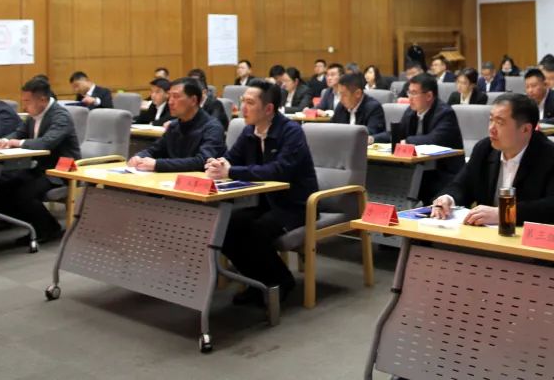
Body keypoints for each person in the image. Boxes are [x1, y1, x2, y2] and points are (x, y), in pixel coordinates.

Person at [208, 80, 318, 306]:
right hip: (266, 202)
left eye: (250, 103)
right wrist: (218, 164)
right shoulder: (250, 131)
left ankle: (281, 282)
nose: (243, 108)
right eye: (242, 101)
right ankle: (259, 282)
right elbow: (232, 158)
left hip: (295, 206)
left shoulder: (291, 132)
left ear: (268, 109)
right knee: (224, 227)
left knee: (255, 231)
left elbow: (278, 170)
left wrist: (231, 170)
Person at [431, 93, 554, 225]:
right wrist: (448, 198)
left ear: (525, 129)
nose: (491, 128)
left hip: (530, 239)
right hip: (487, 237)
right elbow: (461, 185)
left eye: (500, 123)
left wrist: (504, 213)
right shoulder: (485, 149)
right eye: (491, 120)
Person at [0, 78, 80, 244]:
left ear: (42, 100)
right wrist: (4, 140)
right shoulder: (34, 115)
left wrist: (17, 143)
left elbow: (46, 143)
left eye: (27, 101)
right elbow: (19, 133)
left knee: (24, 193)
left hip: (61, 171)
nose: (24, 106)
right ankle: (32, 225)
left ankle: (48, 228)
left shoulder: (61, 116)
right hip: (39, 168)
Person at [392, 74, 465, 203]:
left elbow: (434, 139)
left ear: (429, 96)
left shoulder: (445, 113)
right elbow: (398, 134)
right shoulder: (411, 111)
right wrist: (373, 138)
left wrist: (407, 142)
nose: (410, 97)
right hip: (418, 170)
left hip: (443, 174)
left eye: (414, 93)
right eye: (409, 92)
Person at [129, 78, 226, 171]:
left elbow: (203, 161)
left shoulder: (213, 127)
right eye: (170, 96)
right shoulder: (174, 126)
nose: (170, 102)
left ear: (193, 100)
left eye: (176, 97)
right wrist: (139, 157)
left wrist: (157, 164)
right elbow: (154, 150)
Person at [331, 72, 386, 143]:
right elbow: (331, 129)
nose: (340, 99)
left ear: (358, 93)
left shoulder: (373, 108)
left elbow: (371, 133)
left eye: (344, 95)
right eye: (339, 94)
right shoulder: (341, 106)